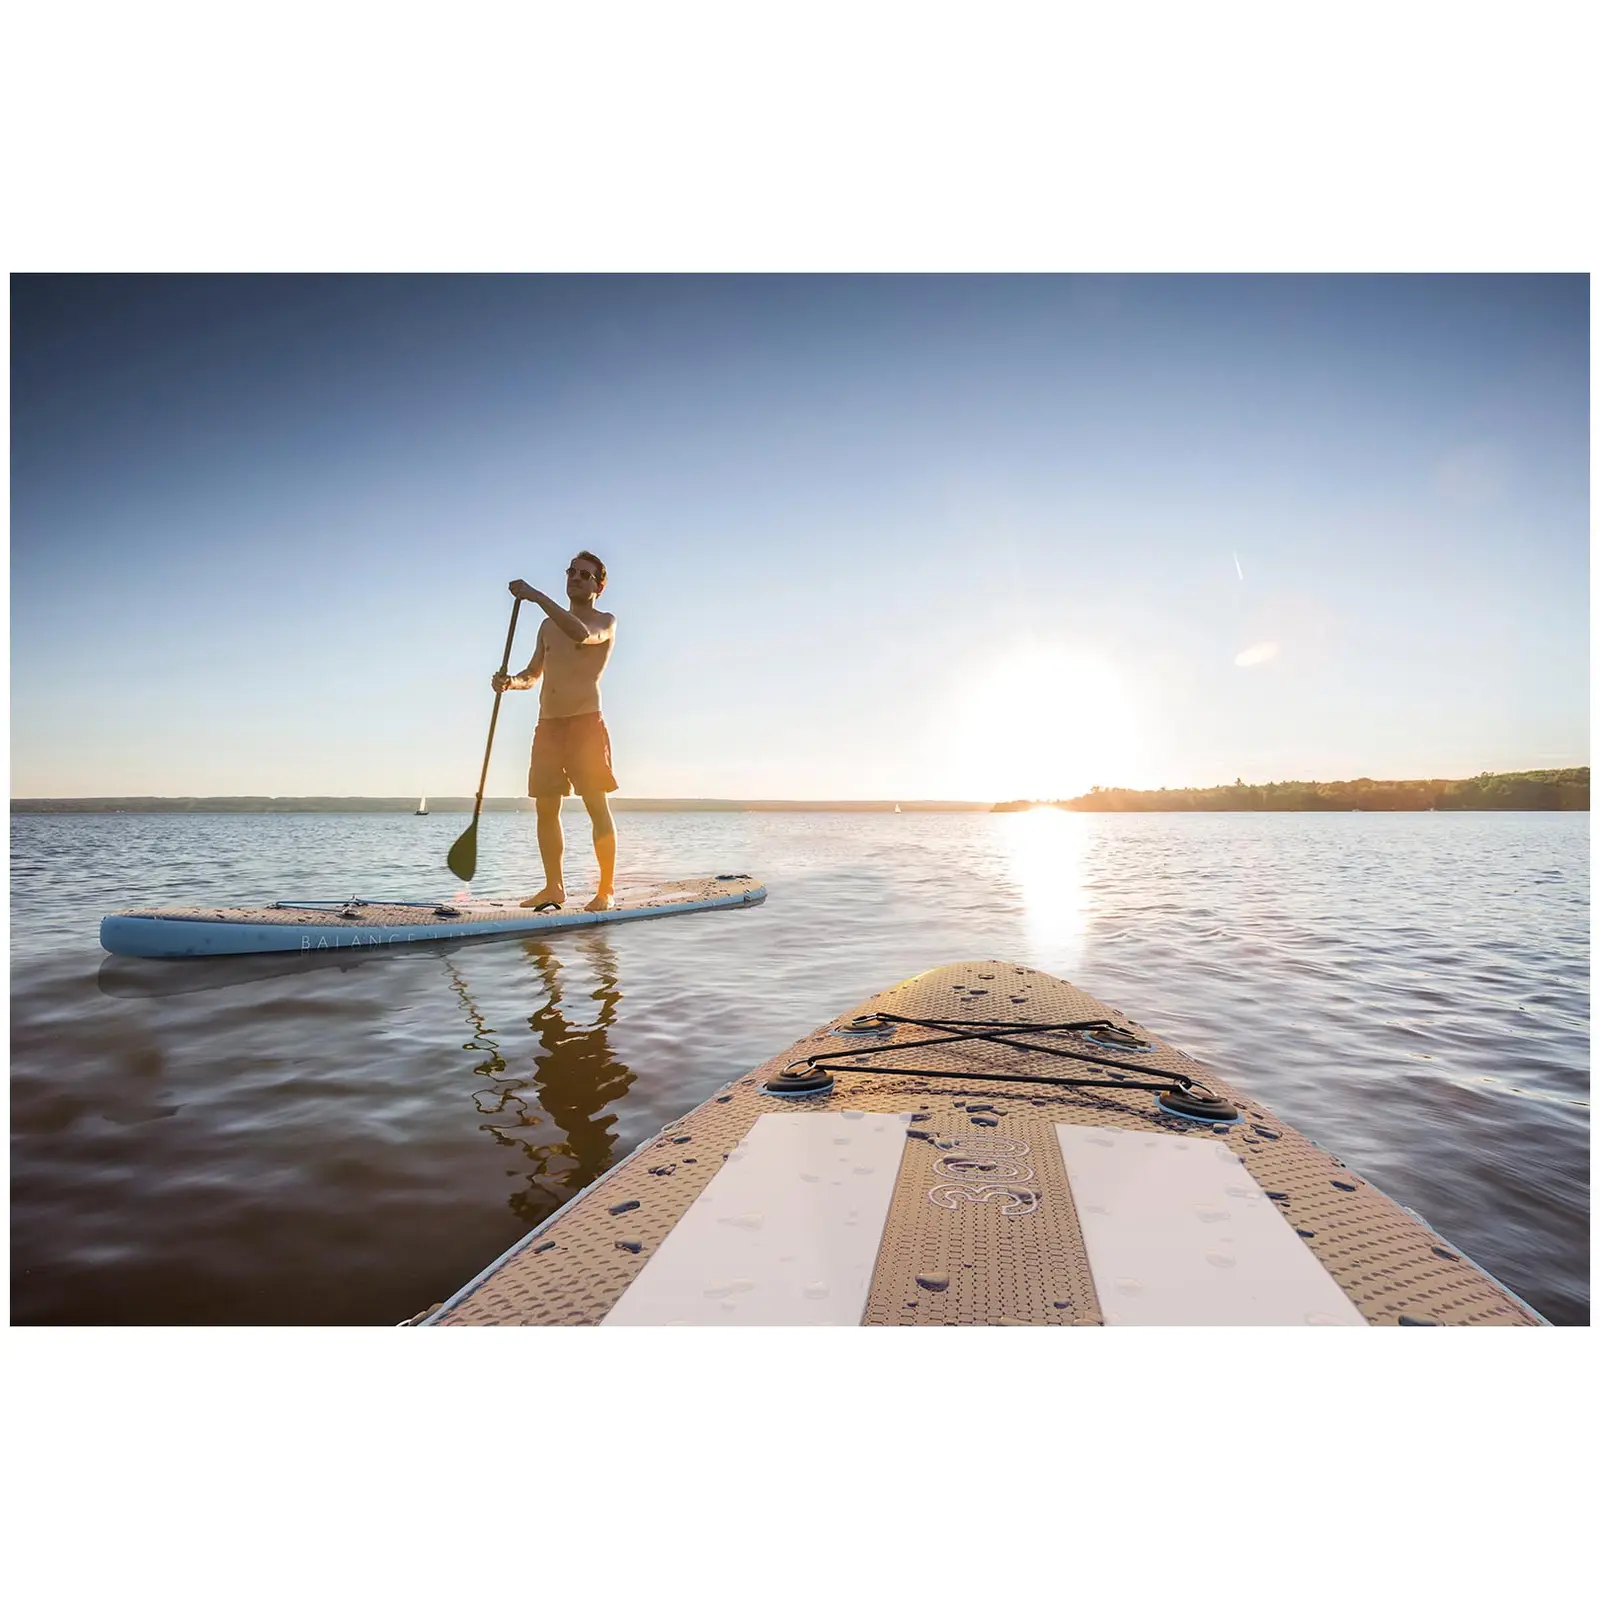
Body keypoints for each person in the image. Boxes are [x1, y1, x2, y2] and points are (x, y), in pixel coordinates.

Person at [490, 551, 618, 911]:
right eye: (571, 572)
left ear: (599, 586)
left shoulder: (605, 621)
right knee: (546, 808)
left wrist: (535, 596)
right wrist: (510, 682)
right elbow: (533, 675)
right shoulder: (547, 627)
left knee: (596, 805)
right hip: (548, 726)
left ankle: (606, 890)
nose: (575, 578)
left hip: (585, 724)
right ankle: (553, 887)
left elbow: (579, 632)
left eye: (585, 575)